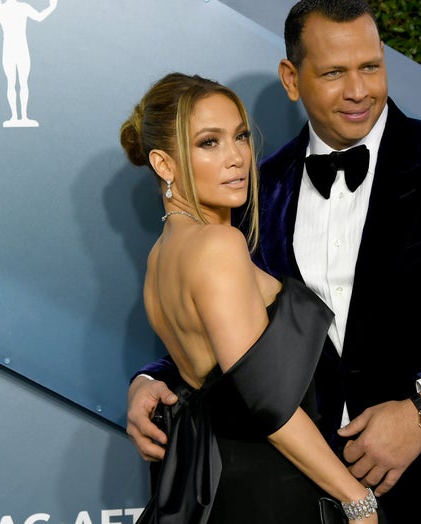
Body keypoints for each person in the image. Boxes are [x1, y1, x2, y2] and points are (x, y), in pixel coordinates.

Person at [127, 1, 421, 521]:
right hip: (302, 491)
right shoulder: (253, 191)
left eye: (371, 67)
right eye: (334, 72)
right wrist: (153, 379)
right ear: (291, 78)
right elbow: (237, 329)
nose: (359, 91)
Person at [120, 72, 379, 523]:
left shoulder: (160, 257)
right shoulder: (218, 245)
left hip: (225, 483)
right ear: (164, 164)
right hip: (273, 490)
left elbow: (215, 377)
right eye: (209, 142)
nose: (237, 157)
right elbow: (268, 403)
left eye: (240, 136)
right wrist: (356, 499)